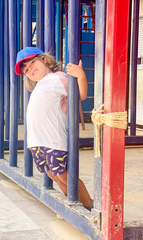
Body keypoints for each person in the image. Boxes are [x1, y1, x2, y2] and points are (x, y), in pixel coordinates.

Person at [15, 47, 93, 210]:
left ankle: (89, 207)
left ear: (44, 60)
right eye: (26, 70)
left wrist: (80, 75)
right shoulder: (40, 85)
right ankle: (75, 204)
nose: (30, 69)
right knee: (54, 176)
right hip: (38, 141)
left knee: (65, 176)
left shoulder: (57, 78)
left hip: (53, 140)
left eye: (32, 63)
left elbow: (81, 95)